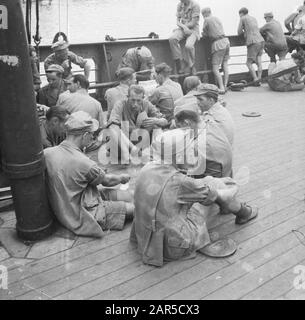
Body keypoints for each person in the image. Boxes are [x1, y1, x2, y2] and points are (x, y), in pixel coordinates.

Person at [130, 128, 258, 267]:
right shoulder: (180, 182)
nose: (193, 154)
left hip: (145, 236)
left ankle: (241, 210)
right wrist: (234, 185)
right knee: (214, 194)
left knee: (210, 183)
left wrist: (212, 182)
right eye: (189, 151)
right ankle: (243, 212)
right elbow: (221, 195)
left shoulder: (148, 167)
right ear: (178, 157)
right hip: (171, 245)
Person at [44, 111, 134, 238]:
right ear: (85, 135)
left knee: (128, 195)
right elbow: (108, 181)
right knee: (137, 208)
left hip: (65, 207)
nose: (93, 137)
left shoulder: (47, 153)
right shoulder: (85, 163)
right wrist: (122, 178)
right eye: (92, 134)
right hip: (84, 214)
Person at [106, 85, 168, 163]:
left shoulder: (146, 104)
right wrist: (133, 149)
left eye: (138, 101)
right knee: (114, 129)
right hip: (123, 143)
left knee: (156, 125)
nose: (135, 104)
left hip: (139, 141)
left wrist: (156, 120)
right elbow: (112, 126)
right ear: (127, 97)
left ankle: (157, 153)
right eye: (132, 100)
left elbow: (164, 121)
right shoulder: (120, 104)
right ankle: (134, 153)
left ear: (143, 98)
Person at [174, 102, 233, 178]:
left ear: (186, 123)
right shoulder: (211, 124)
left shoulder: (198, 145)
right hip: (226, 173)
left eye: (179, 127)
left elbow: (187, 171)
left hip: (215, 184)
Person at [201, 7, 230, 94]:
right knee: (225, 64)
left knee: (215, 68)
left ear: (204, 14)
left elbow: (204, 33)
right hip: (226, 42)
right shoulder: (217, 18)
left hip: (218, 44)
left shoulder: (206, 20)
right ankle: (225, 85)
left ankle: (221, 88)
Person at [169, 0, 200, 75]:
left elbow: (193, 23)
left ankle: (191, 65)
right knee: (172, 39)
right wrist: (184, 27)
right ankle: (179, 62)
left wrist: (186, 27)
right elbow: (177, 21)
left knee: (188, 46)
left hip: (193, 31)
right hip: (182, 29)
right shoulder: (180, 5)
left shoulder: (195, 5)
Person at [238, 7, 265, 84]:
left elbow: (239, 32)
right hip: (261, 40)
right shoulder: (253, 18)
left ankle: (255, 79)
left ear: (241, 13)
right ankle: (259, 79)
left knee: (248, 63)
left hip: (253, 42)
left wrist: (245, 33)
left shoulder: (242, 18)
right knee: (259, 60)